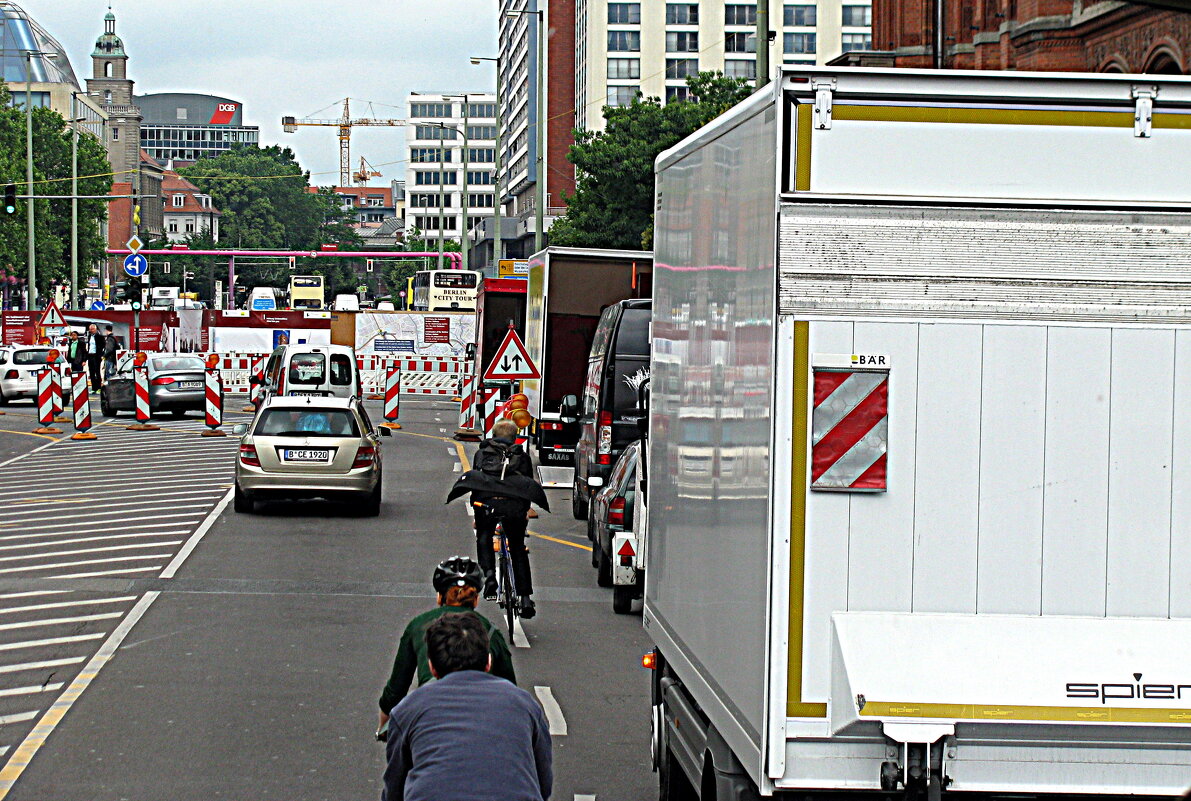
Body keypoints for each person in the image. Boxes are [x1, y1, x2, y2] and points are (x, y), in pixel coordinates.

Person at [382, 613, 552, 801]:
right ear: (488, 662)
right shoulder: (524, 704)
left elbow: (394, 788)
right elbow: (543, 782)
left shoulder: (408, 709)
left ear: (432, 667)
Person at [376, 556, 516, 740]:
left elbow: (395, 692)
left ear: (439, 596)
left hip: (428, 715)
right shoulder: (490, 632)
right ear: (475, 600)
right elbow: (510, 691)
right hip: (481, 721)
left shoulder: (418, 625)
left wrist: (382, 731)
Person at [471, 419, 537, 617]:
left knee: (484, 536)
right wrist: (525, 510)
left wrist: (477, 510)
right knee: (517, 547)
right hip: (514, 507)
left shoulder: (481, 454)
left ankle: (490, 576)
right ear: (515, 438)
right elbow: (528, 487)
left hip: (487, 505)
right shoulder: (522, 457)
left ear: (492, 435)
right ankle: (525, 598)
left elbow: (476, 482)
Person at [83, 323, 104, 390]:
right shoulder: (89, 336)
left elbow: (103, 346)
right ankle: (94, 388)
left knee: (97, 372)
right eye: (90, 329)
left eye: (92, 329)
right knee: (91, 372)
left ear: (95, 329)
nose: (91, 330)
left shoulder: (100, 336)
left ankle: (99, 387)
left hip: (96, 356)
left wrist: (101, 355)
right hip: (90, 355)